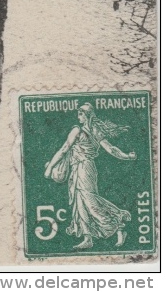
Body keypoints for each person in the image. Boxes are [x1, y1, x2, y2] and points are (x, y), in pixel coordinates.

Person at [44, 103, 136, 249]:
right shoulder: (91, 130)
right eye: (78, 114)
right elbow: (65, 149)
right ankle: (88, 238)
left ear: (87, 115)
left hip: (85, 168)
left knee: (90, 201)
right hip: (77, 169)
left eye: (80, 114)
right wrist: (127, 157)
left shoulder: (82, 130)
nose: (78, 116)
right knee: (79, 203)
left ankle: (119, 223)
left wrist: (49, 167)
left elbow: (64, 149)